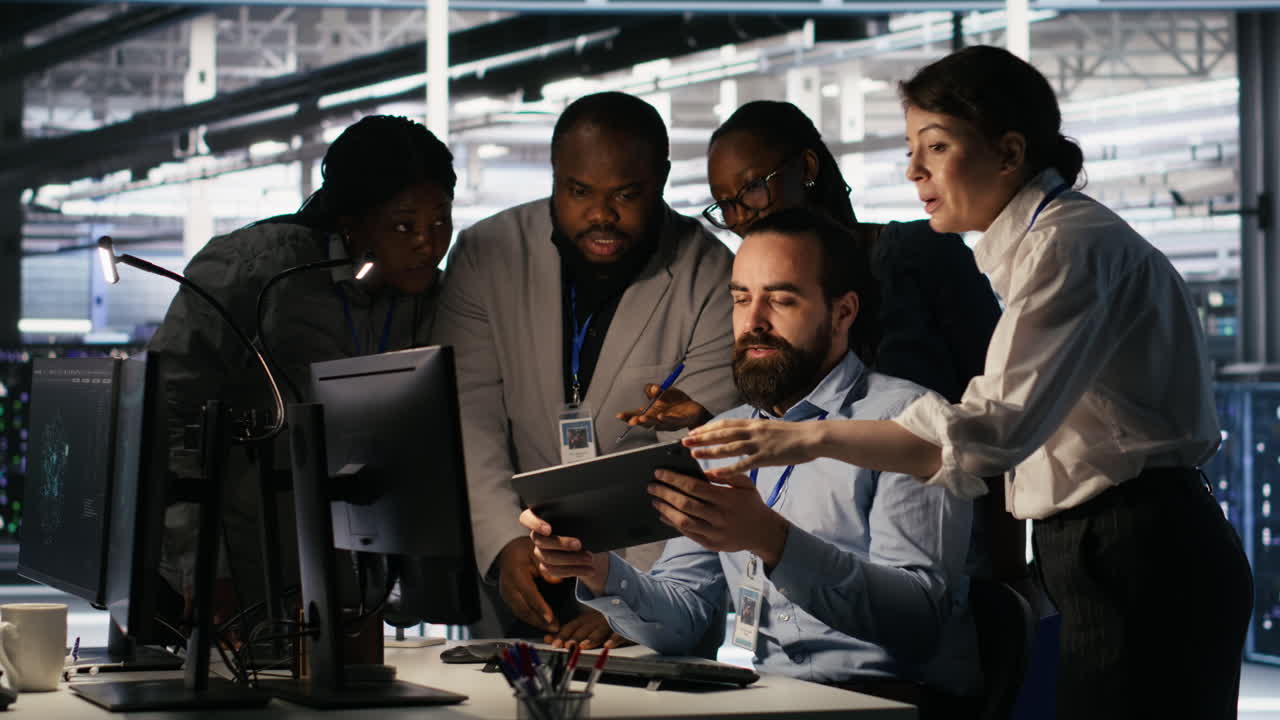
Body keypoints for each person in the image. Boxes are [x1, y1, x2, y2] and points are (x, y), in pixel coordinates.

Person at [684, 46, 1253, 720]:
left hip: (1138, 547)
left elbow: (986, 434)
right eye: (909, 148)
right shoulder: (1044, 245)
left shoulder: (1065, 247)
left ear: (1008, 154)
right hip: (1111, 544)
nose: (913, 170)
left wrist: (804, 438)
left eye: (936, 146)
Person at [522, 207, 982, 719]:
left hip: (886, 702)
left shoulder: (906, 424)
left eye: (781, 299)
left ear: (843, 313)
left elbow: (918, 622)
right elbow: (684, 619)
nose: (753, 322)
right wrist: (602, 571)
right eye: (742, 298)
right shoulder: (726, 433)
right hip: (759, 698)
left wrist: (773, 541)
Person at [433, 92, 739, 649]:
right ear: (554, 175)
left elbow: (699, 457)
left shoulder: (713, 275)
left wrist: (633, 597)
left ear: (662, 179)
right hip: (522, 562)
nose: (602, 215)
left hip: (653, 577)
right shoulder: (485, 255)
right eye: (579, 192)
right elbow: (469, 422)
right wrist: (504, 545)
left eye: (626, 194)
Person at [148, 114, 455, 633]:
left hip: (344, 576)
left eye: (441, 221)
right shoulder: (256, 273)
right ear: (351, 222)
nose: (427, 243)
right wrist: (201, 564)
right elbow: (170, 416)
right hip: (227, 570)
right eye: (404, 226)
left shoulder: (433, 295)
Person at [702, 99, 1020, 582]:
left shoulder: (921, 255)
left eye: (749, 189)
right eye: (723, 203)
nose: (738, 215)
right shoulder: (760, 297)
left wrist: (1007, 573)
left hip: (940, 542)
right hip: (822, 546)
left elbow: (997, 418)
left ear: (806, 168)